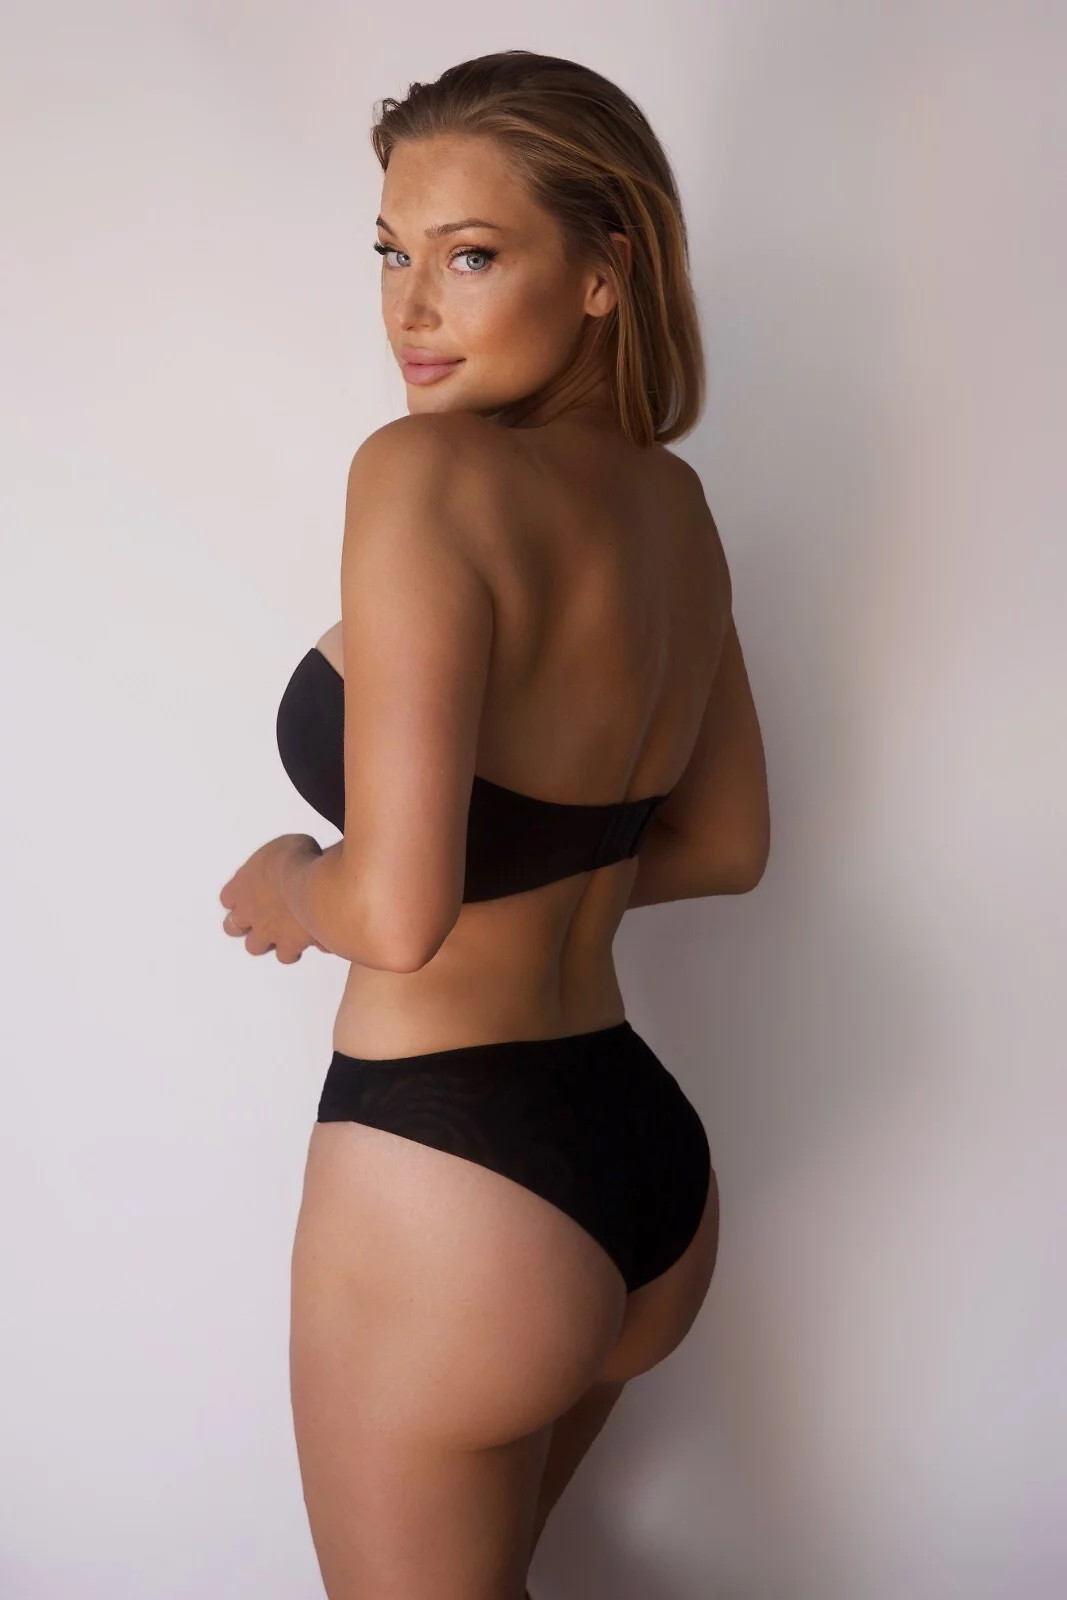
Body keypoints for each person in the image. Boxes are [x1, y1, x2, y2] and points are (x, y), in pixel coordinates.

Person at [219, 49, 769, 1600]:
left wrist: (295, 879)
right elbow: (724, 845)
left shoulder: (422, 475)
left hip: (451, 1182)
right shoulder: (676, 511)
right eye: (392, 252)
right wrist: (500, 872)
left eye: (469, 257)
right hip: (639, 1168)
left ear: (604, 274)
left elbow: (395, 917)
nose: (411, 308)